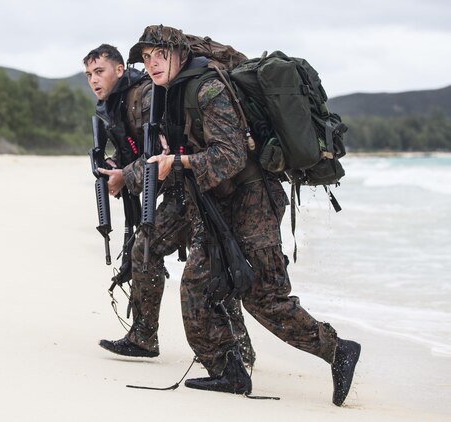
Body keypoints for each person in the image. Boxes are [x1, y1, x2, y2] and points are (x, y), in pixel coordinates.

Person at [112, 24, 360, 406]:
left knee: (264, 297)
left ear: (179, 52)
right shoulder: (170, 94)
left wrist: (177, 161)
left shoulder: (208, 88)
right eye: (146, 57)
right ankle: (228, 371)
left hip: (252, 198)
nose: (152, 62)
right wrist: (127, 175)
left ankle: (338, 349)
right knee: (196, 286)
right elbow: (163, 157)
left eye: (160, 53)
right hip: (217, 204)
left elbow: (230, 156)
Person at [84, 44, 256, 365]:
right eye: (89, 75)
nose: (94, 80)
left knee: (211, 266)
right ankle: (145, 336)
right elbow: (135, 152)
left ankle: (236, 350)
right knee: (151, 252)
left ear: (119, 70)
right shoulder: (114, 106)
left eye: (100, 71)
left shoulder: (146, 97)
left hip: (195, 187)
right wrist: (116, 165)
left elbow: (162, 149)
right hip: (179, 190)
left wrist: (125, 174)